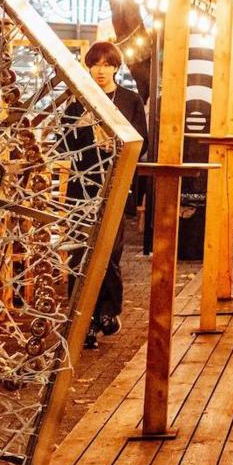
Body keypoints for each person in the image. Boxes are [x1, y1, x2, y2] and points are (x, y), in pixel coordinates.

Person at [69, 41, 149, 347]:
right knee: (80, 254)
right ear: (88, 66)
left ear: (116, 67)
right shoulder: (79, 101)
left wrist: (118, 146)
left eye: (107, 64)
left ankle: (108, 310)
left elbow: (144, 143)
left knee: (110, 255)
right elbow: (64, 143)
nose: (101, 70)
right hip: (83, 189)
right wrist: (82, 132)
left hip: (117, 186)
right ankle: (82, 322)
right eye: (96, 64)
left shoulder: (129, 100)